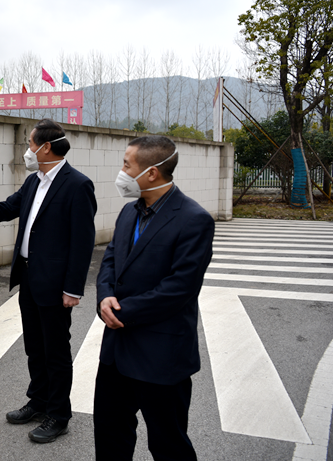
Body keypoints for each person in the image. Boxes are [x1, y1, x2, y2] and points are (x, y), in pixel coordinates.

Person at [0, 118, 97, 444]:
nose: (27, 150)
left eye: (30, 144)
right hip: (29, 278)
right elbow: (10, 206)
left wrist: (73, 289)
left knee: (56, 351)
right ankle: (38, 401)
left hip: (55, 284)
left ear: (46, 147)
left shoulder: (77, 185)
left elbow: (82, 242)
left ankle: (58, 415)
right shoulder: (35, 181)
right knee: (35, 346)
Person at [94, 135, 215, 461]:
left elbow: (180, 287)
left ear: (151, 173)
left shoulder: (194, 219)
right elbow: (110, 261)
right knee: (109, 434)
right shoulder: (128, 212)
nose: (121, 172)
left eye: (126, 165)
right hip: (116, 353)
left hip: (161, 356)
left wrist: (122, 311)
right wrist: (104, 297)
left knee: (168, 444)